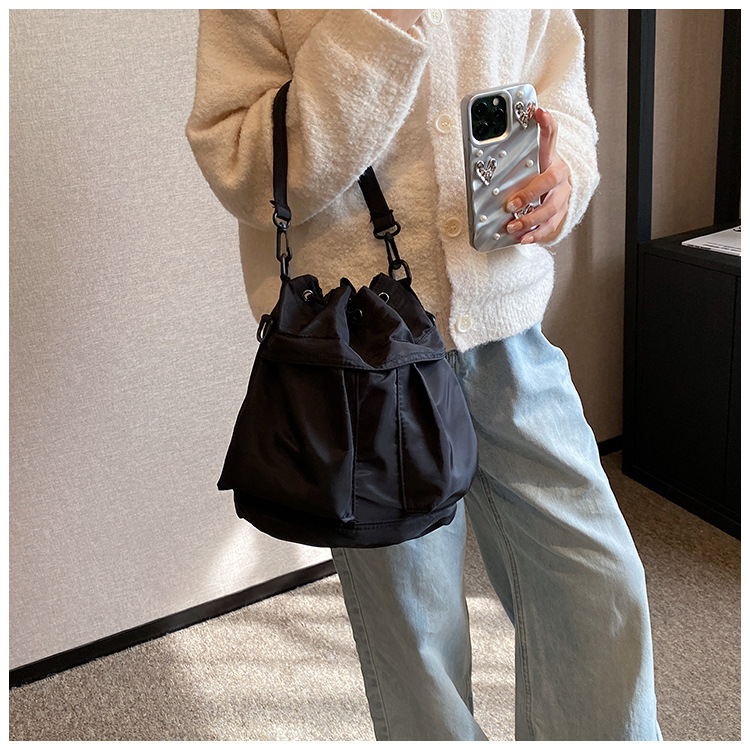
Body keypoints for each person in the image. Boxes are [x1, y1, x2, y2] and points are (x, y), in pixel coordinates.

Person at [186, 9, 663, 741]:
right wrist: (372, 28)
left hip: (508, 332)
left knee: (600, 586)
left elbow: (558, 93)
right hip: (361, 363)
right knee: (419, 643)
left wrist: (563, 177)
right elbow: (244, 170)